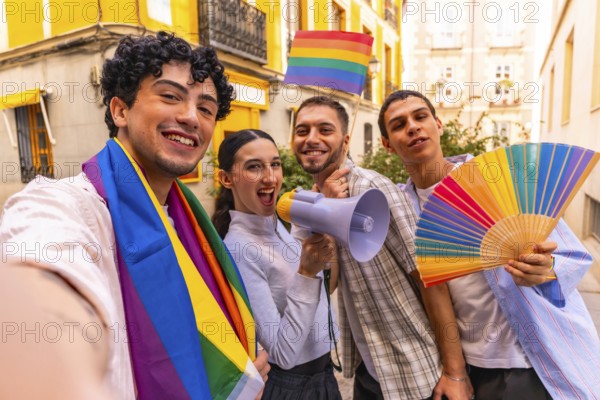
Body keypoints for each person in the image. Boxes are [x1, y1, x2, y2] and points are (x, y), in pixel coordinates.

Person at [0, 32, 269, 399]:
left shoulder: (189, 222)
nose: (191, 117)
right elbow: (43, 279)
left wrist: (235, 381)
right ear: (120, 110)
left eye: (206, 108)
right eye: (170, 96)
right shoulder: (67, 207)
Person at [378, 89, 600, 399]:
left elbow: (574, 258)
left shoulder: (499, 180)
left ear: (438, 124)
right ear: (387, 144)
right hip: (473, 370)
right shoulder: (400, 213)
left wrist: (547, 271)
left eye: (420, 116)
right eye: (399, 124)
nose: (413, 127)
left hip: (534, 359)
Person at [291, 96, 473, 400]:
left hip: (413, 372)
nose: (312, 139)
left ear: (345, 141)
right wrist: (323, 215)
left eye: (325, 130)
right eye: (302, 130)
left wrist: (456, 372)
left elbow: (430, 278)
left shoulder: (370, 189)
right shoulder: (318, 198)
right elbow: (329, 284)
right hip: (370, 370)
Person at [211, 129, 342, 399]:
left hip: (324, 375)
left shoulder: (276, 226)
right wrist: (307, 272)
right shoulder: (239, 248)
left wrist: (311, 229)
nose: (270, 177)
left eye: (275, 164)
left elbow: (314, 289)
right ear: (226, 178)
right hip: (291, 387)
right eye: (254, 167)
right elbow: (283, 353)